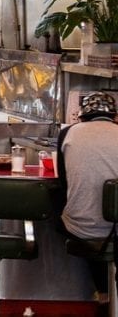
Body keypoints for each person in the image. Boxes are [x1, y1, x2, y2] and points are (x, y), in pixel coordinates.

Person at [57, 92, 118, 303]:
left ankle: (103, 294)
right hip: (114, 230)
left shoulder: (67, 134)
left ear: (81, 117)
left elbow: (63, 184)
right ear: (114, 117)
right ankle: (110, 297)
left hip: (80, 228)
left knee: (82, 220)